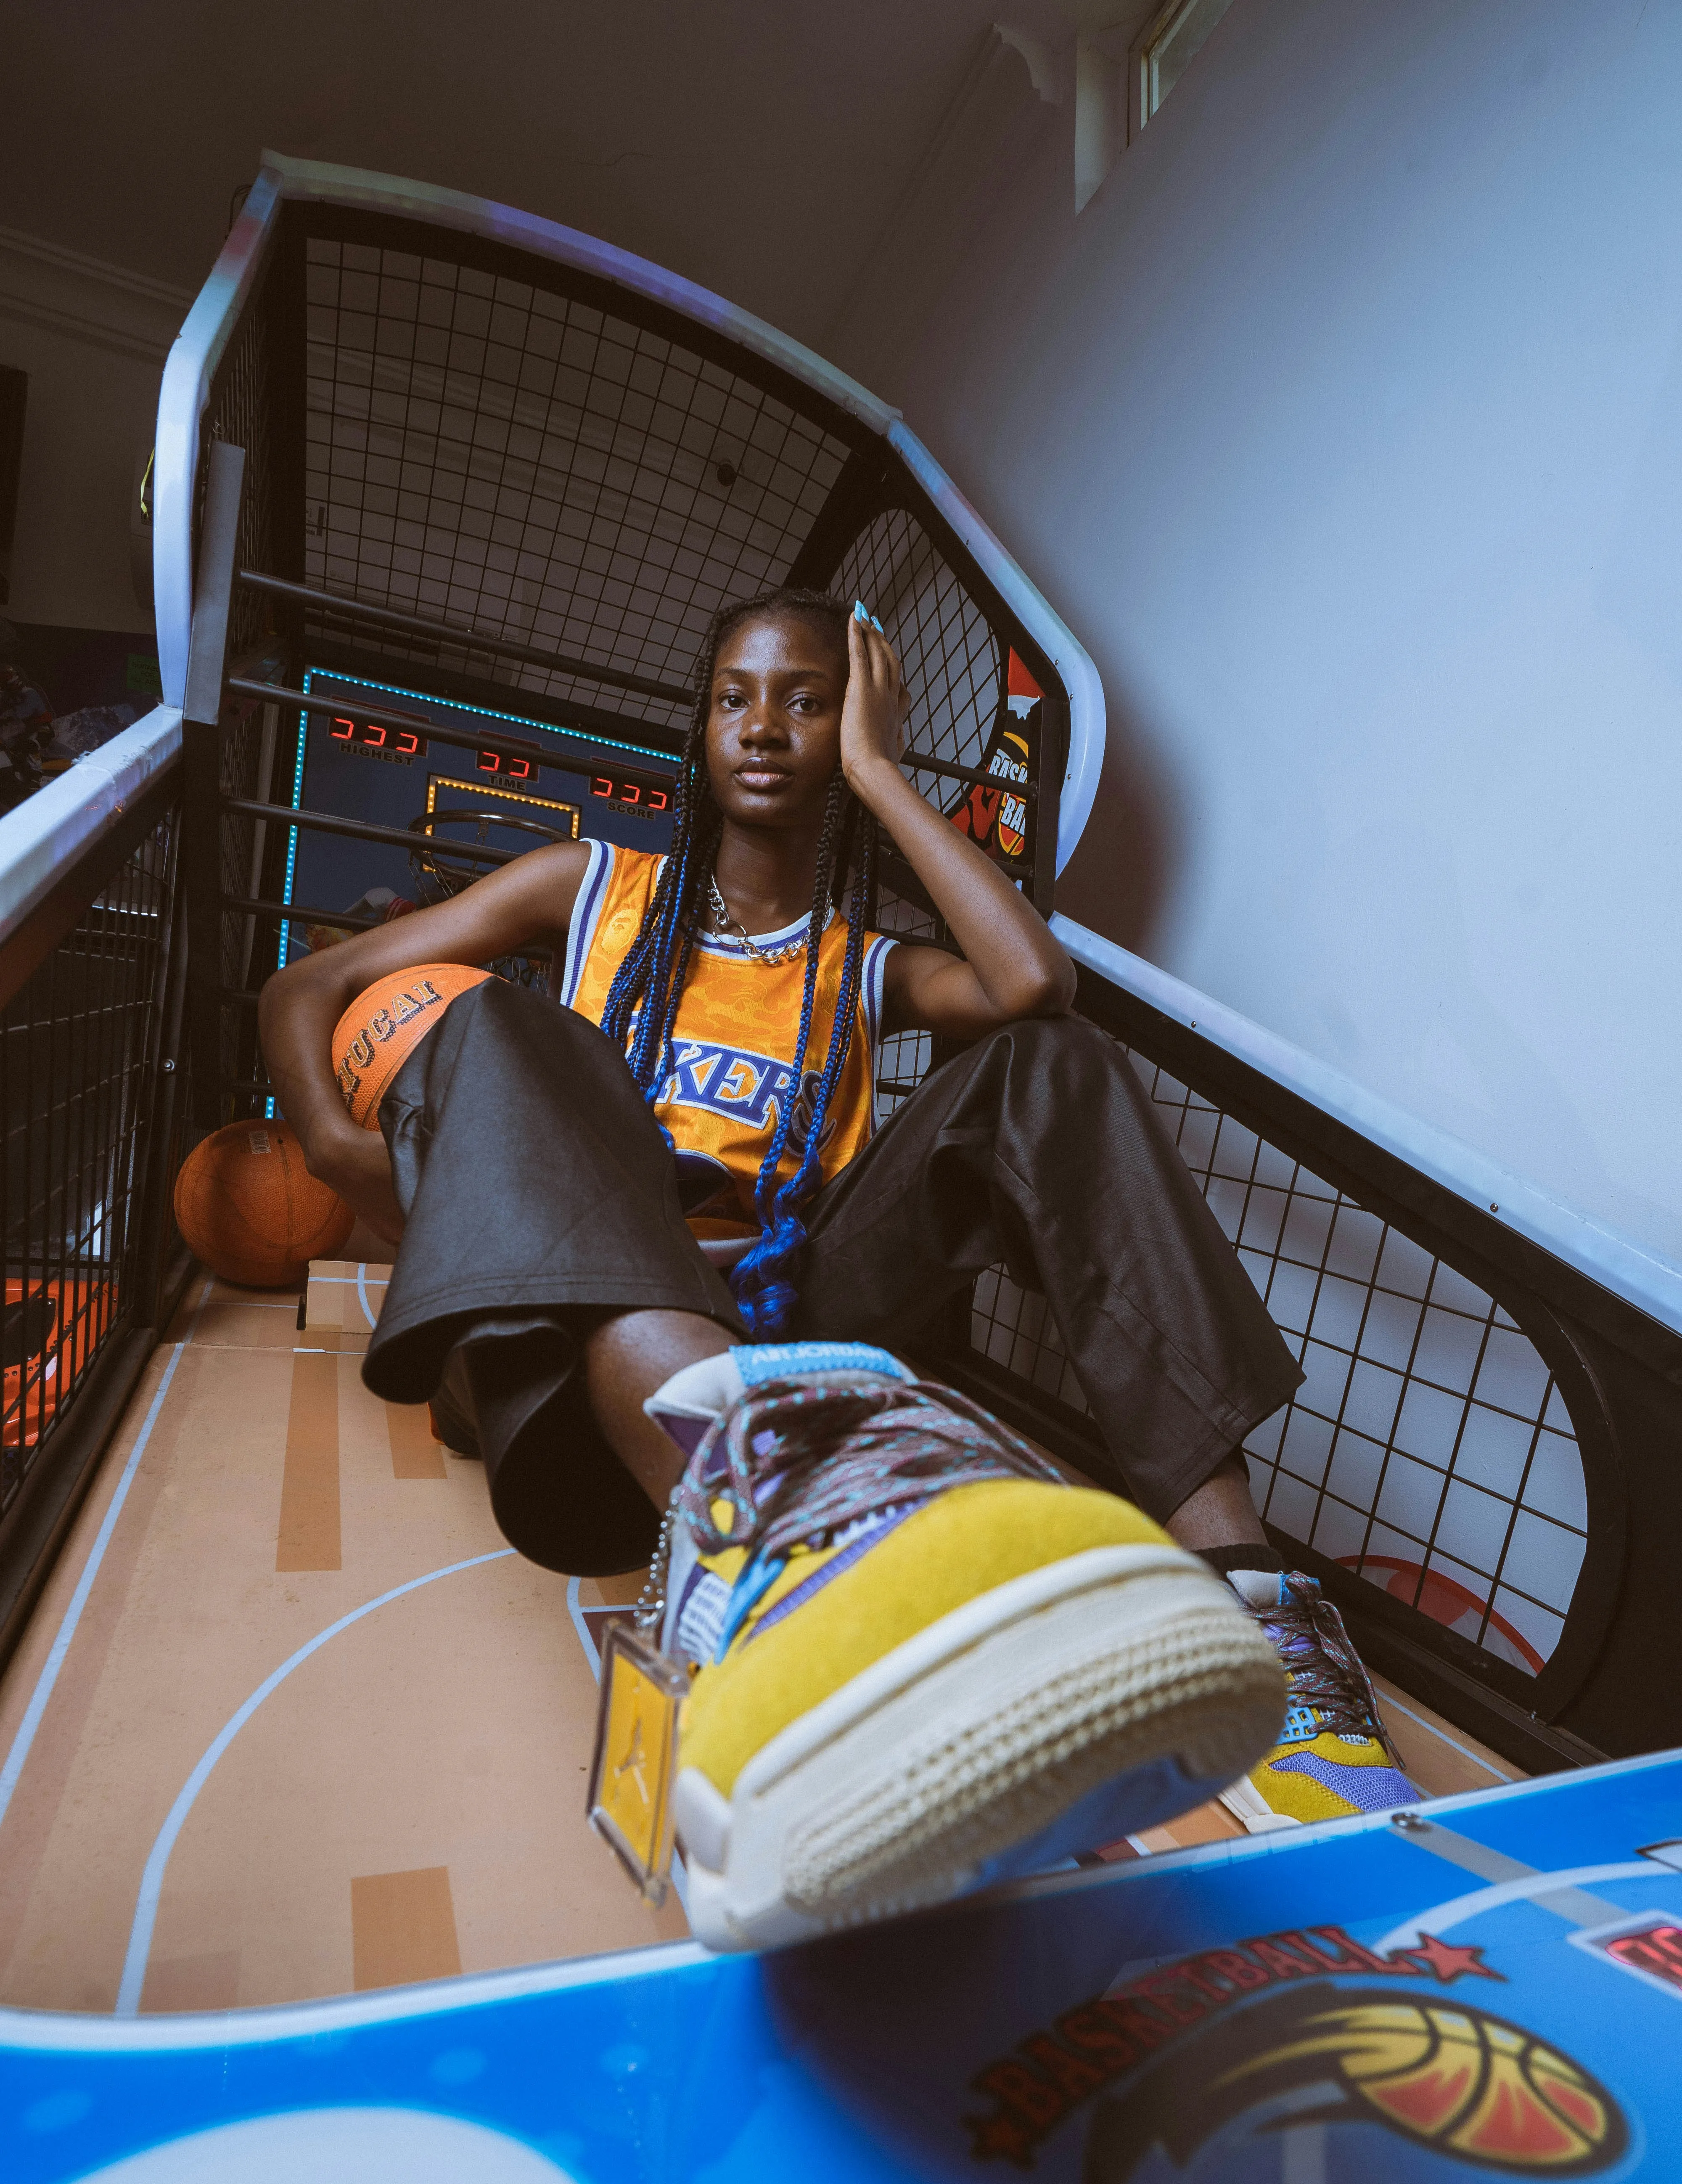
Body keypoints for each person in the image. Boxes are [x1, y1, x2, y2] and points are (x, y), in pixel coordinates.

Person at [260, 591, 1412, 1950]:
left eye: (807, 701)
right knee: (506, 1031)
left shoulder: (869, 967)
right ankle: (767, 1551)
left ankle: (1262, 1611)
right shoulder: (586, 888)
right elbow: (304, 992)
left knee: (1052, 1066)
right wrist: (347, 1157)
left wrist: (884, 776)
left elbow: (1035, 986)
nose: (764, 727)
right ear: (697, 728)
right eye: (735, 697)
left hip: (792, 1317)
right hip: (574, 1363)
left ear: (851, 726)